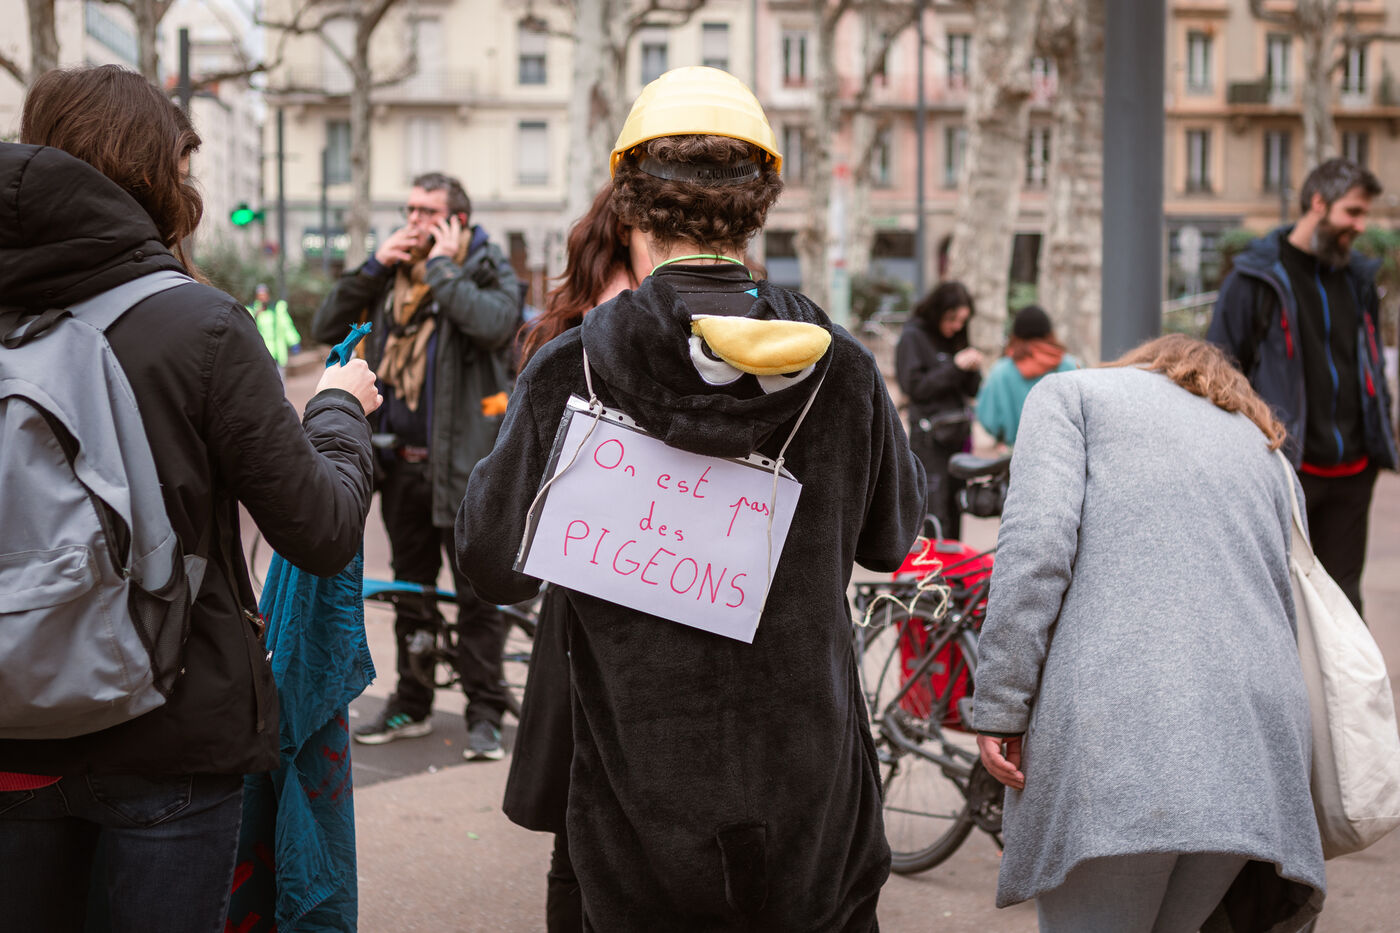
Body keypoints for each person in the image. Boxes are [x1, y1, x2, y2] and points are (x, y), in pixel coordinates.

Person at [456, 66, 924, 932]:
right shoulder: (845, 369)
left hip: (638, 811)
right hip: (813, 804)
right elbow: (893, 537)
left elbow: (489, 561)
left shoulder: (570, 369)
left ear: (630, 206)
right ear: (758, 207)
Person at [0, 65, 379, 931]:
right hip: (169, 734)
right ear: (152, 173)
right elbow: (320, 527)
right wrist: (337, 410)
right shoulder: (199, 324)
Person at [973, 334, 1324, 933]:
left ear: (1142, 364)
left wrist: (1001, 706)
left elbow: (1035, 553)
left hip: (1124, 723)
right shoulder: (1263, 445)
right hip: (1257, 741)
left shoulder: (1073, 395)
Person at [312, 171, 522, 760]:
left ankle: (484, 710)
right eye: (409, 209)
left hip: (465, 468)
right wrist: (372, 267)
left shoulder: (485, 268)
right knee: (411, 592)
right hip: (399, 465)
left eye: (427, 211)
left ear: (458, 220)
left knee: (478, 595)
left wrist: (444, 268)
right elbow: (325, 328)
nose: (413, 221)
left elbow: (494, 326)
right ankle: (413, 701)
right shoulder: (390, 276)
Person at [1208, 158, 1395, 614]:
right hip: (1286, 472)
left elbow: (1369, 363)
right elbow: (1217, 372)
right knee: (1281, 603)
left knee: (1344, 604)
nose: (1361, 226)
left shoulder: (1358, 280)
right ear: (1318, 203)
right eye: (1353, 212)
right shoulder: (1253, 280)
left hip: (1354, 472)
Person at [895, 281, 983, 540]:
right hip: (930, 439)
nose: (956, 326)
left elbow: (972, 390)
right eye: (952, 319)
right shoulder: (913, 337)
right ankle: (932, 563)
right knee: (934, 510)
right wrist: (955, 367)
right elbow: (914, 387)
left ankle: (954, 563)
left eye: (962, 321)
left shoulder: (957, 337)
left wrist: (972, 368)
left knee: (956, 507)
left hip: (957, 435)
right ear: (938, 311)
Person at [975, 304, 1077, 447]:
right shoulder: (1071, 366)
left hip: (1015, 452)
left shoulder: (1001, 371)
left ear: (1015, 335)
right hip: (1065, 451)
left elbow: (988, 418)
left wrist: (1002, 436)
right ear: (1050, 333)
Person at [247, 283, 301, 374]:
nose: (262, 297)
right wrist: (256, 315)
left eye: (264, 294)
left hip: (278, 352)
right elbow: (248, 329)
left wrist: (294, 342)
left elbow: (287, 326)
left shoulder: (277, 309)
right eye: (260, 295)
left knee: (280, 377)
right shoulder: (251, 310)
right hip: (261, 354)